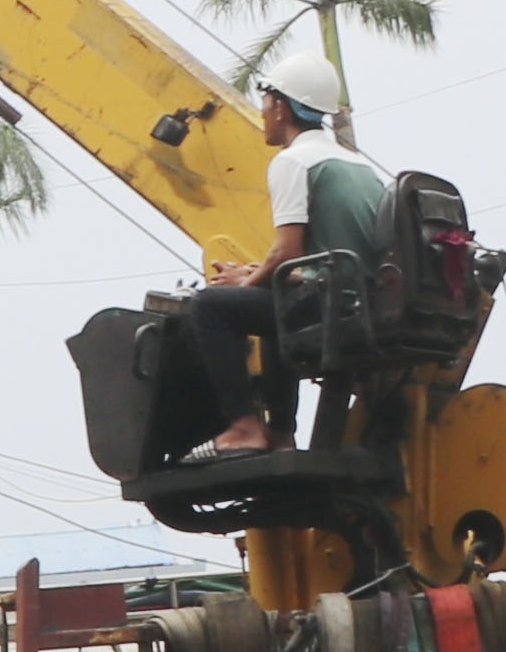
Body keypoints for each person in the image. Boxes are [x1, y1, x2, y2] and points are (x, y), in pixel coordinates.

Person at [168, 86, 399, 459]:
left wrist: (246, 281)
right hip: (355, 300)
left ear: (280, 107)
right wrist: (253, 273)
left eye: (265, 103)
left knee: (209, 306)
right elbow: (320, 259)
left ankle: (244, 428)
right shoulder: (356, 165)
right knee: (276, 306)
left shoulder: (292, 163)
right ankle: (279, 434)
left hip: (330, 305)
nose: (262, 112)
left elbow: (286, 252)